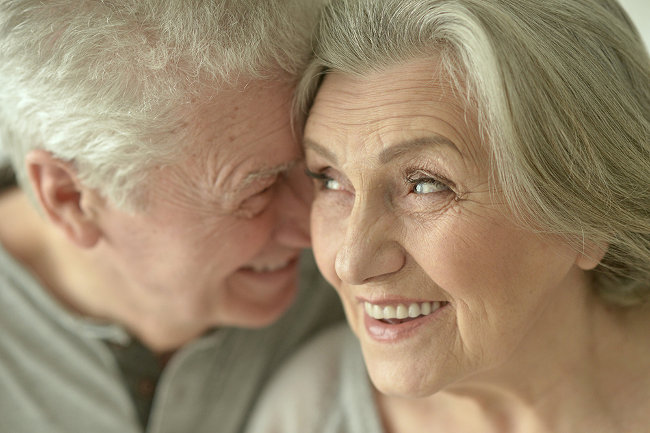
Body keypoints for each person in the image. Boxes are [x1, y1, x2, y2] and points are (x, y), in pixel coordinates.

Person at [244, 0, 650, 432]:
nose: (351, 263)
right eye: (330, 180)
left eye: (425, 185)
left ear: (588, 216)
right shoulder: (307, 414)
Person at [0, 1, 343, 432]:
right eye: (260, 189)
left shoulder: (355, 286)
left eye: (319, 171)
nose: (315, 227)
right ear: (70, 199)